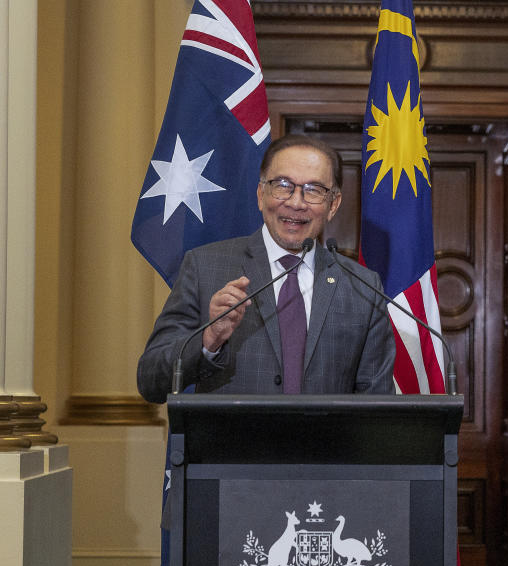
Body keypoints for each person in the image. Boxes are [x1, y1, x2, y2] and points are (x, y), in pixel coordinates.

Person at [137, 134, 395, 403]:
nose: (296, 202)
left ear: (333, 205)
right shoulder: (205, 267)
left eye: (314, 190)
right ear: (261, 195)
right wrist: (209, 339)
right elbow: (151, 381)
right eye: (282, 185)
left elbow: (377, 406)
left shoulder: (361, 286)